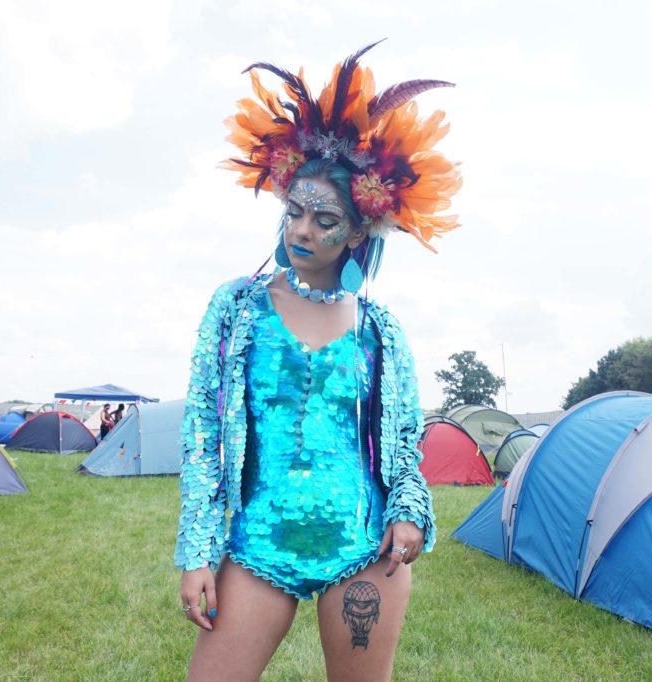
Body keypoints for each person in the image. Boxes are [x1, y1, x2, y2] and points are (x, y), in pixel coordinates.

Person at [176, 42, 461, 681]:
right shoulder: (237, 308)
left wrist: (409, 509)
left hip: (361, 554)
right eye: (294, 211)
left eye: (323, 219)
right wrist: (198, 551)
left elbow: (405, 442)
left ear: (358, 233)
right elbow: (201, 437)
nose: (301, 231)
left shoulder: (380, 330)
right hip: (257, 550)